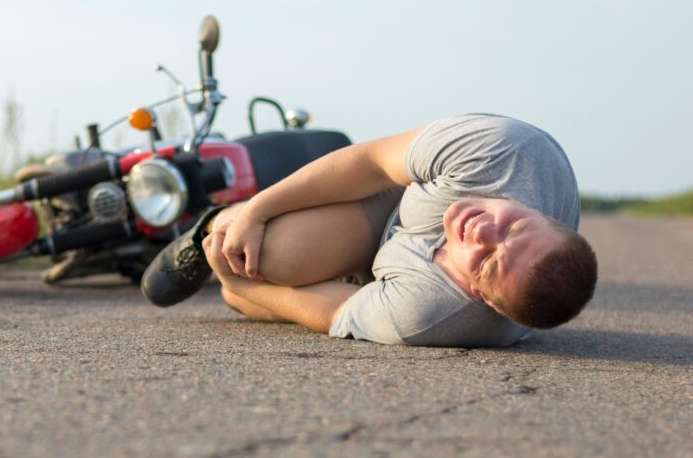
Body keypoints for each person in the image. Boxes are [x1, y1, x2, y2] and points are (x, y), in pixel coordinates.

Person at [140, 113, 598, 347]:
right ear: (546, 216)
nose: (481, 232)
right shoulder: (500, 151)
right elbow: (371, 162)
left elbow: (332, 313)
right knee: (275, 251)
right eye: (513, 225)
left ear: (481, 297)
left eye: (487, 261)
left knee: (249, 283)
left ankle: (235, 261)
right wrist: (254, 213)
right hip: (397, 201)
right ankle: (215, 222)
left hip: (400, 274)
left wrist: (235, 280)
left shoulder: (439, 315)